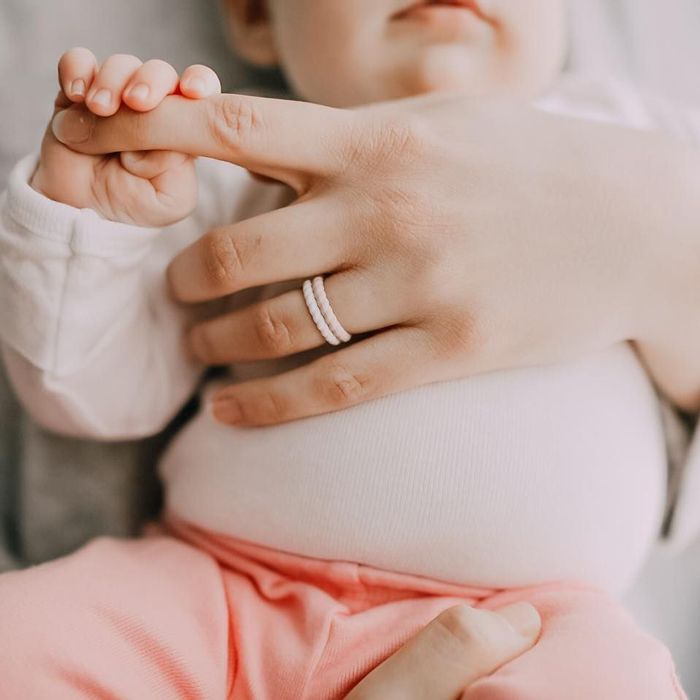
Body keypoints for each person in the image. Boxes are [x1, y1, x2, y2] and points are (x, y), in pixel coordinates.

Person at [0, 0, 695, 697]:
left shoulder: (640, 141)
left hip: (527, 633)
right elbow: (101, 396)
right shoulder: (226, 159)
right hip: (214, 596)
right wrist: (88, 219)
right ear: (254, 20)